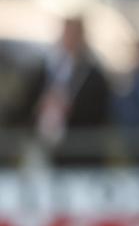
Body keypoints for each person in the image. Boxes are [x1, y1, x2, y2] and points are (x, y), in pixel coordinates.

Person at [22, 16, 111, 166]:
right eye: (67, 33)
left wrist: (70, 107)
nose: (69, 39)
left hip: (78, 151)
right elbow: (26, 101)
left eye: (73, 34)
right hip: (45, 144)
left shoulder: (92, 73)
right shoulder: (47, 67)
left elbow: (100, 110)